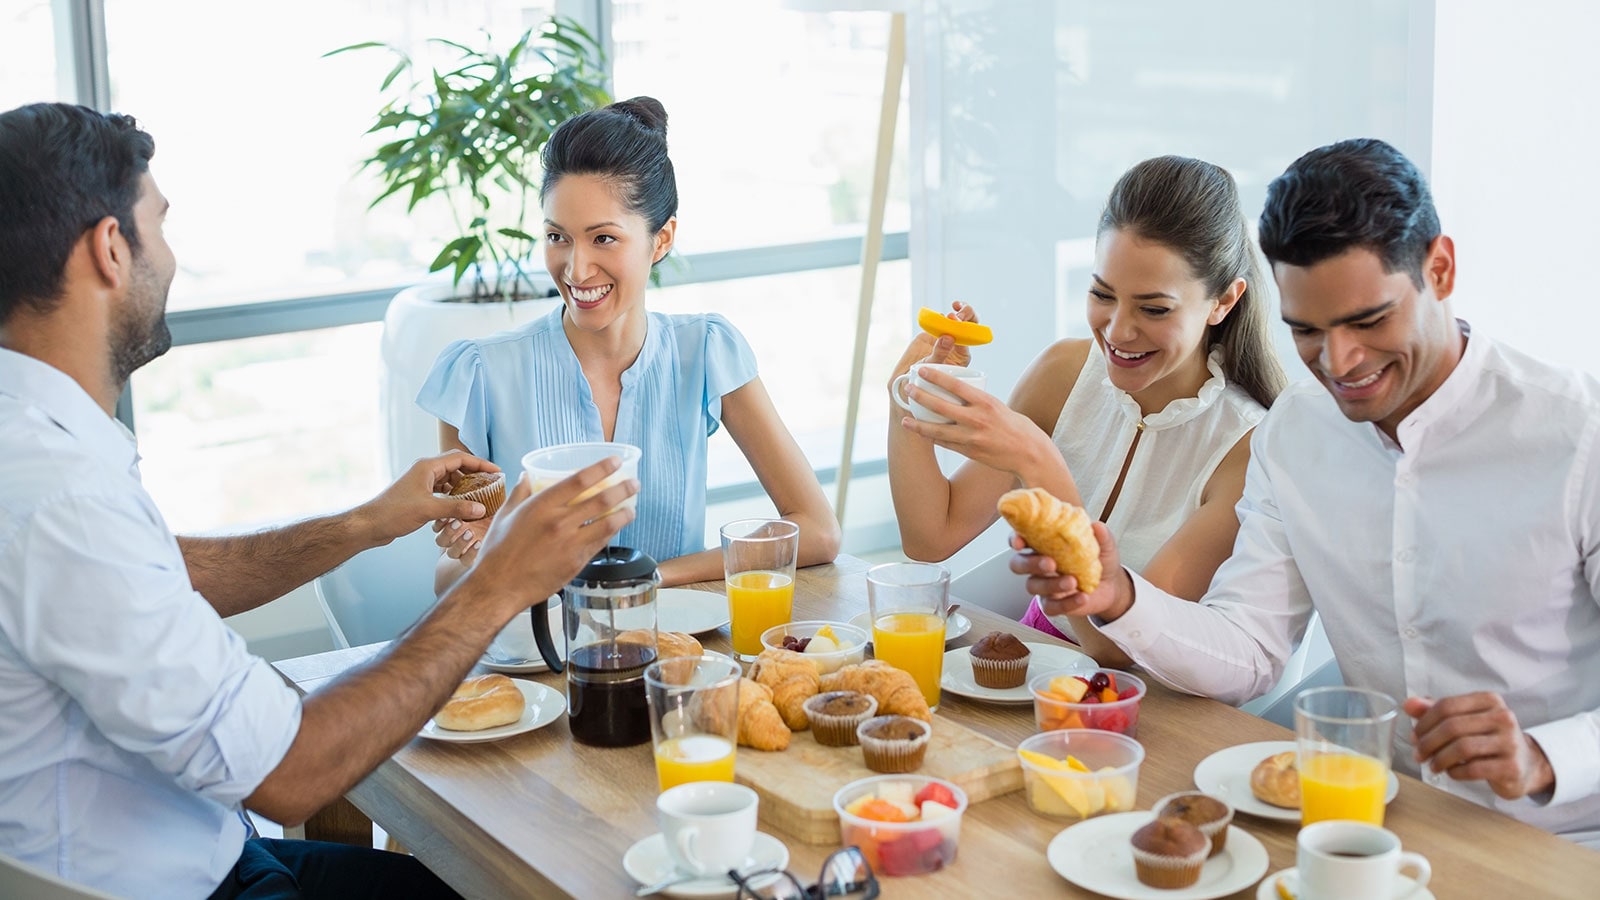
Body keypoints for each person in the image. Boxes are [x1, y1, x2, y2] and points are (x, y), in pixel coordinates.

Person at [0, 102, 639, 898]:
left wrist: (365, 524)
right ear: (107, 249)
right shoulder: (64, 499)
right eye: (157, 226)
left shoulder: (27, 445)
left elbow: (157, 573)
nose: (170, 257)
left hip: (202, 853)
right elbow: (295, 771)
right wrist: (501, 582)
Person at [1019, 138, 1600, 846]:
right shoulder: (1295, 432)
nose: (1340, 363)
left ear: (1440, 269)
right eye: (1307, 331)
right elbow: (1251, 648)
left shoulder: (1577, 436)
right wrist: (1119, 597)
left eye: (1368, 320)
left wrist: (1543, 758)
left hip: (1563, 840)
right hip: (1368, 821)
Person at [422, 96, 839, 592]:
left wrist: (645, 579)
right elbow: (446, 579)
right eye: (558, 237)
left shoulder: (705, 352)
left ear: (661, 240)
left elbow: (817, 532)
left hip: (673, 649)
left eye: (603, 239)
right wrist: (480, 552)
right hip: (537, 657)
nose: (575, 270)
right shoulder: (479, 375)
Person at [886, 156, 1285, 665]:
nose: (1118, 330)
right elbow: (930, 536)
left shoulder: (1247, 450)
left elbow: (1118, 650)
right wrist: (907, 393)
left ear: (1223, 302)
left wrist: (1040, 466)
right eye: (1102, 294)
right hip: (1032, 661)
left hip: (1143, 706)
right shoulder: (1063, 373)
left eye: (1154, 308)